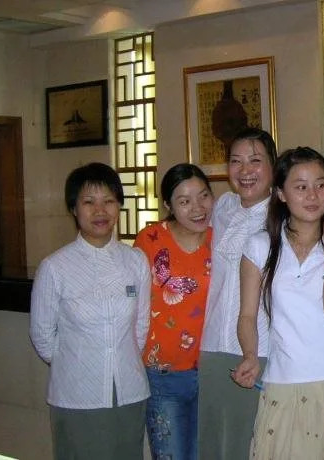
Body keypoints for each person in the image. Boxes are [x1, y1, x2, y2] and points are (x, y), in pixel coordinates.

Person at [233, 147, 324, 459]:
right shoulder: (260, 246)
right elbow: (247, 316)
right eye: (301, 187)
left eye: (321, 184)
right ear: (281, 194)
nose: (313, 195)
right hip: (284, 382)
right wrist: (250, 355)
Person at [30, 162, 151, 460]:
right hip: (76, 395)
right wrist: (78, 363)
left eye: (108, 201)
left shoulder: (135, 261)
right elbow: (42, 335)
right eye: (89, 202)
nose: (100, 211)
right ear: (74, 208)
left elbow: (141, 325)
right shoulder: (55, 267)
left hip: (129, 391)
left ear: (119, 205)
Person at [198, 127, 277, 460]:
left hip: (261, 351)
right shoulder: (223, 207)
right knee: (212, 442)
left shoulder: (286, 214)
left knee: (251, 444)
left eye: (255, 160)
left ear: (273, 166)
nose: (245, 170)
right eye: (236, 161)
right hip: (212, 347)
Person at [134, 163, 214, 459]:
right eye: (184, 201)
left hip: (212, 371)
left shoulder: (221, 240)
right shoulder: (150, 239)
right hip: (162, 374)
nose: (198, 208)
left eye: (204, 196)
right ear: (168, 205)